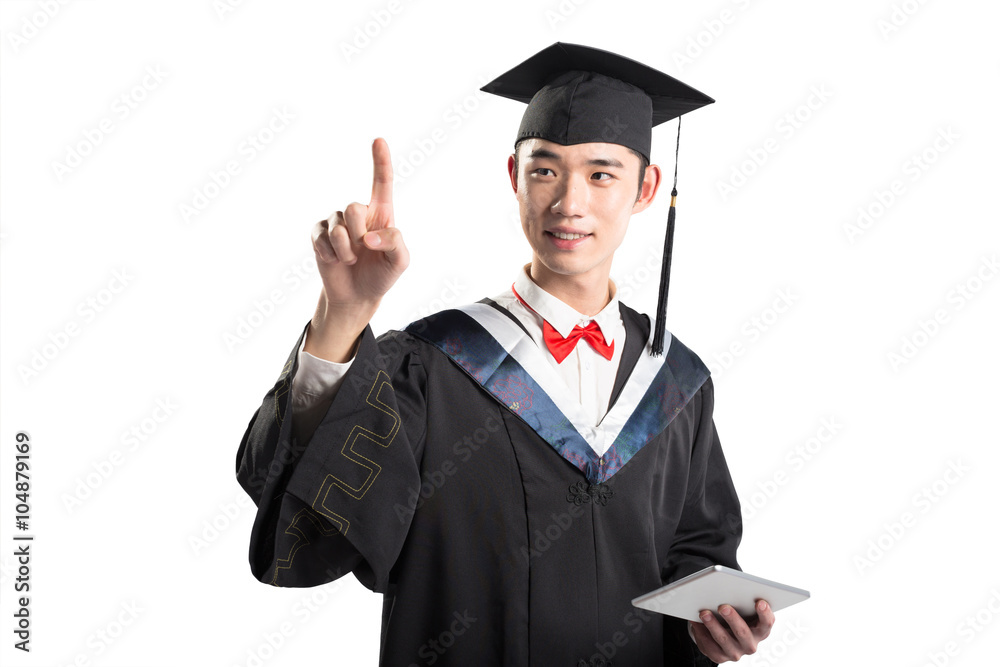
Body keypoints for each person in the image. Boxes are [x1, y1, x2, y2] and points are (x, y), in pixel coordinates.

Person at [236, 42, 774, 665]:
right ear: (514, 178)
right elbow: (310, 534)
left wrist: (715, 626)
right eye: (545, 170)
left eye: (602, 174)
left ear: (647, 188)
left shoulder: (676, 382)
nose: (569, 203)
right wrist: (344, 319)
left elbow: (697, 553)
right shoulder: (432, 364)